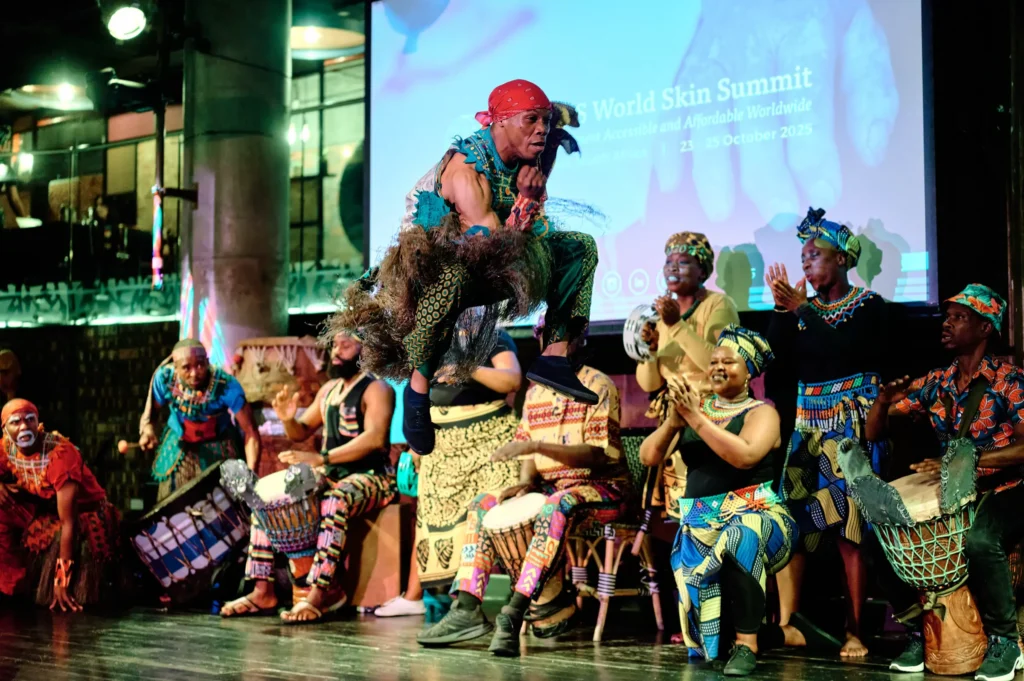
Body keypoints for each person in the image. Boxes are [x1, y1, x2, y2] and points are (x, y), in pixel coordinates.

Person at [329, 79, 601, 457]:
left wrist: (534, 192)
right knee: (452, 279)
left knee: (579, 248)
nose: (541, 129)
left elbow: (532, 226)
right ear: (500, 122)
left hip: (496, 252)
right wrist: (527, 200)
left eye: (545, 121)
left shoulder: (531, 148)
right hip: (435, 267)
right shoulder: (466, 172)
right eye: (531, 120)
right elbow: (494, 250)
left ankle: (554, 357)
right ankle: (418, 390)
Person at [416, 326, 631, 656]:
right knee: (484, 503)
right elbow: (528, 454)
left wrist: (537, 447)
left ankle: (513, 612)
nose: (550, 341)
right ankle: (467, 608)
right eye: (545, 334)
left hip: (601, 491)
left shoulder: (597, 385)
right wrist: (526, 483)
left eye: (559, 334)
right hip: (553, 490)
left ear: (578, 339)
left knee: (557, 504)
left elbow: (596, 456)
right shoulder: (536, 393)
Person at [865, 284, 1024, 681]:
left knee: (981, 541)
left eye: (958, 318)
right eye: (946, 316)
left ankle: (1006, 641)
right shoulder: (938, 381)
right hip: (953, 491)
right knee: (878, 536)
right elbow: (873, 435)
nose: (946, 324)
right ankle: (918, 628)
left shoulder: (1010, 381)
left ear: (985, 328)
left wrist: (966, 465)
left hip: (1008, 487)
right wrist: (883, 402)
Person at [764, 207, 888, 657]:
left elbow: (847, 349)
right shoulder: (801, 310)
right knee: (792, 523)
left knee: (849, 530)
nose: (806, 263)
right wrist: (782, 312)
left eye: (814, 254)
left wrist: (801, 311)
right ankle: (788, 624)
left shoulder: (867, 306)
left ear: (840, 258)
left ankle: (855, 630)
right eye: (802, 258)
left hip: (849, 427)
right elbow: (774, 362)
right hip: (805, 426)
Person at [639, 326, 795, 676]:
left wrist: (695, 417)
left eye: (730, 361)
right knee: (709, 647)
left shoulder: (762, 413)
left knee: (741, 536)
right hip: (700, 528)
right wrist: (674, 422)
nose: (719, 366)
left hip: (760, 518)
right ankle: (774, 635)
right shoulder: (697, 409)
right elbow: (649, 456)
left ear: (750, 370)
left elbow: (745, 456)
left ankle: (748, 646)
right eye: (714, 361)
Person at [220, 331, 398, 624]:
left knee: (334, 501)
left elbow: (375, 438)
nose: (336, 351)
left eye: (346, 345)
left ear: (365, 349)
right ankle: (262, 590)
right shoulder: (329, 389)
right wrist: (288, 419)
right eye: (335, 345)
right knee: (266, 500)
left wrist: (322, 458)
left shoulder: (377, 388)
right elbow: (301, 431)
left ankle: (319, 593)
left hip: (372, 477)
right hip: (331, 474)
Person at [376, 314, 522, 618]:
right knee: (428, 518)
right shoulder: (437, 341)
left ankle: (519, 597)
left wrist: (467, 369)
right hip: (440, 445)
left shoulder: (492, 338)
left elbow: (511, 379)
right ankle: (415, 596)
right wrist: (417, 443)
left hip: (485, 441)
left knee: (491, 517)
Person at [635, 231, 740, 522]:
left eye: (683, 262)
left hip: (712, 417)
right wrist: (652, 352)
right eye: (668, 262)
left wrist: (676, 326)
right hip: (673, 419)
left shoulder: (719, 305)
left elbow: (718, 366)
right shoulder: (660, 315)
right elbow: (650, 384)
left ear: (703, 270)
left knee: (711, 507)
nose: (672, 267)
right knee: (681, 518)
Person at [0, 399, 119, 612]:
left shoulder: (60, 456)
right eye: (16, 422)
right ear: (4, 429)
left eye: (30, 420)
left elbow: (68, 523)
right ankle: (10, 584)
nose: (24, 427)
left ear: (38, 422)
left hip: (84, 515)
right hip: (46, 509)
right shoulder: (6, 447)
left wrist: (62, 580)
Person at [137, 339, 260, 501]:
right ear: (175, 366)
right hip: (179, 444)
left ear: (208, 362)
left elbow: (250, 431)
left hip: (219, 443)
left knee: (225, 504)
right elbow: (151, 416)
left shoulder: (226, 385)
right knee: (173, 504)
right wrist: (148, 431)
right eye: (186, 367)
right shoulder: (165, 378)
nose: (194, 373)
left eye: (200, 365)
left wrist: (250, 477)